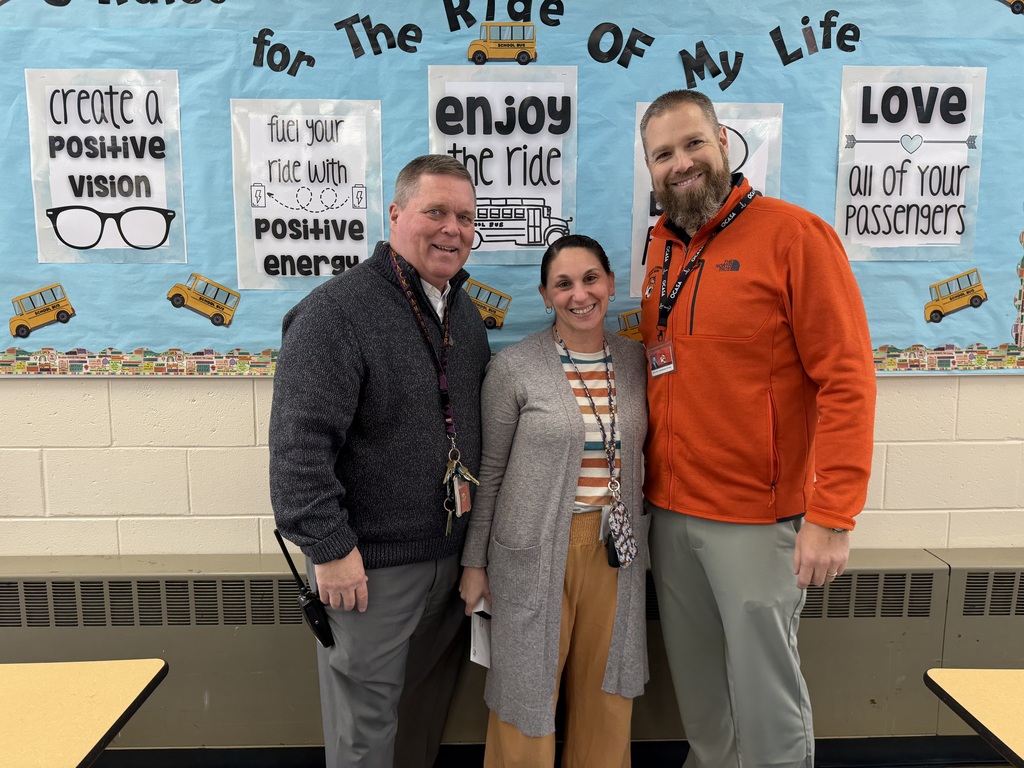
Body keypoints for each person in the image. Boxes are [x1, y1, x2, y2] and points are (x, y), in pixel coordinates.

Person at [637, 90, 876, 768]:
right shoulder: (661, 249)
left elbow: (849, 380)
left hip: (755, 517)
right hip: (672, 512)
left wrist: (833, 514)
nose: (680, 163)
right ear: (650, 170)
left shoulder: (795, 235)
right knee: (704, 701)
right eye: (662, 154)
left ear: (723, 142)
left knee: (767, 702)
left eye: (692, 144)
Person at [269, 154, 490, 768]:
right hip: (368, 571)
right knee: (364, 736)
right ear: (395, 215)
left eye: (466, 217)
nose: (453, 228)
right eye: (436, 211)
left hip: (446, 562)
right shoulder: (336, 312)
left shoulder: (463, 316)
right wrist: (331, 551)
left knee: (421, 722)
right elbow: (298, 449)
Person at [459, 234, 650, 768]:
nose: (579, 294)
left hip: (616, 552)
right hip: (530, 552)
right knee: (527, 694)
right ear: (545, 296)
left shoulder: (637, 363)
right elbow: (489, 475)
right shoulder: (515, 368)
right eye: (562, 284)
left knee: (608, 691)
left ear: (611, 285)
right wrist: (475, 564)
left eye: (590, 279)